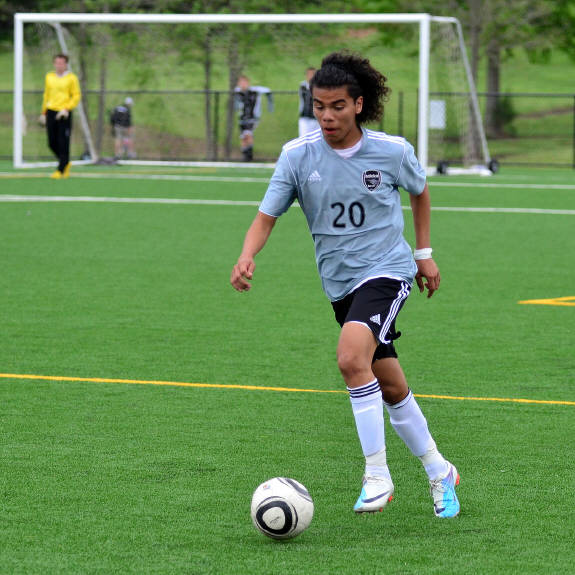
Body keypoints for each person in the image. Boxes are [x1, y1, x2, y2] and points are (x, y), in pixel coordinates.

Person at [231, 52, 460, 518]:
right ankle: (440, 471)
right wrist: (247, 254)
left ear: (358, 104)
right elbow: (266, 215)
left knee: (351, 358)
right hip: (340, 285)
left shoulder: (392, 151)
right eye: (319, 106)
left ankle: (376, 474)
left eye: (337, 106)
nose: (327, 116)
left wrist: (423, 254)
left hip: (387, 270)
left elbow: (419, 192)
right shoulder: (298, 156)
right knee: (390, 386)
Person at [39, 54, 81, 179]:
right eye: (57, 63)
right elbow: (46, 95)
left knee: (63, 141)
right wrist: (43, 112)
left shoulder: (71, 78)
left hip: (64, 113)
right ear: (54, 64)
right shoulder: (49, 76)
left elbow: (76, 95)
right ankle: (65, 162)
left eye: (61, 63)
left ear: (66, 64)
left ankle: (61, 169)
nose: (59, 65)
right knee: (51, 142)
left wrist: (67, 108)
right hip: (51, 111)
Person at [234, 75, 273, 161]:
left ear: (248, 83)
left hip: (253, 118)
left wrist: (270, 105)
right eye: (240, 82)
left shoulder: (255, 90)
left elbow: (268, 91)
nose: (242, 84)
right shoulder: (238, 91)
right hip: (242, 118)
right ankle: (245, 155)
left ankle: (249, 156)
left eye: (244, 82)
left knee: (248, 134)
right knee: (243, 137)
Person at [298, 67, 319, 137]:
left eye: (312, 74)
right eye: (308, 74)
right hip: (304, 116)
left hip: (315, 118)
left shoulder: (319, 87)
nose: (310, 76)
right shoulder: (303, 86)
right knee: (303, 136)